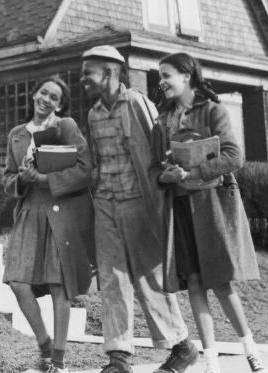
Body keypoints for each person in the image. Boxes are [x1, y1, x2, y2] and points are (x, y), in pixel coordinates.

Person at [149, 52, 268, 373]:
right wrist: (167, 176)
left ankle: (251, 352)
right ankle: (211, 364)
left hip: (211, 206)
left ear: (187, 76)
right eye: (160, 76)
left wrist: (194, 172)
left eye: (167, 75)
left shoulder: (213, 110)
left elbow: (234, 157)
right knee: (196, 284)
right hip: (181, 208)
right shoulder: (161, 121)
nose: (161, 82)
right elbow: (153, 170)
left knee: (221, 283)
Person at [80, 45, 197, 373]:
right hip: (105, 203)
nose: (82, 79)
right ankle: (119, 358)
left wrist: (161, 202)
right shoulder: (92, 114)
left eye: (88, 72)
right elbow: (101, 160)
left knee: (149, 277)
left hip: (138, 203)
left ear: (109, 72)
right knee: (112, 279)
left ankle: (182, 346)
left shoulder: (135, 103)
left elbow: (158, 152)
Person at [3, 76, 95, 373]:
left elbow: (84, 170)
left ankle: (57, 362)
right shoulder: (17, 134)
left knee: (58, 285)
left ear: (60, 104)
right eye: (44, 92)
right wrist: (21, 180)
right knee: (18, 282)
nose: (46, 99)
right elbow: (7, 179)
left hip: (60, 211)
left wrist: (45, 179)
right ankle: (43, 348)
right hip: (29, 211)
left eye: (54, 97)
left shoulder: (65, 126)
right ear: (34, 94)